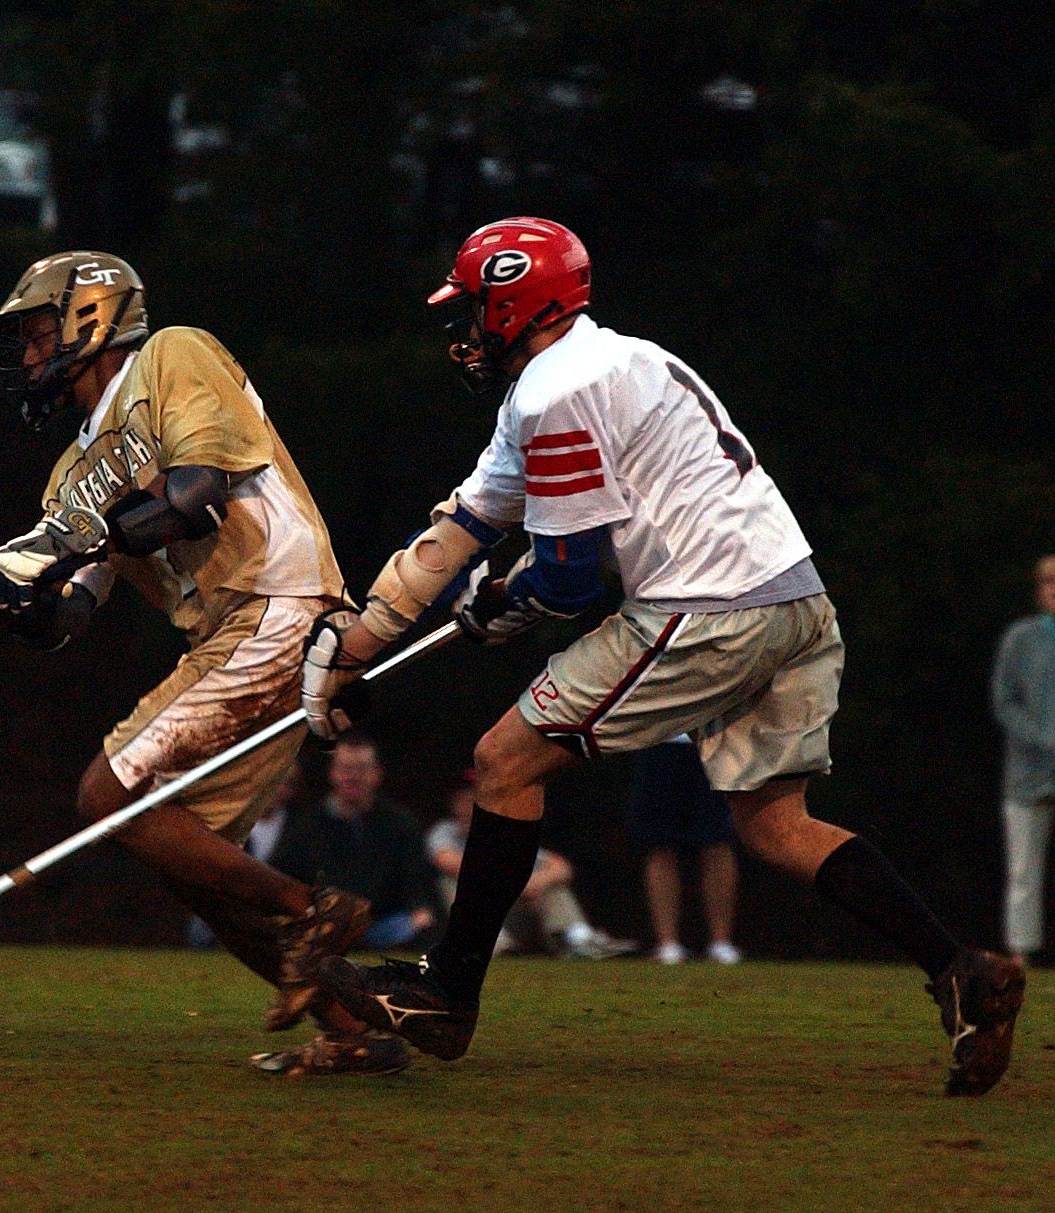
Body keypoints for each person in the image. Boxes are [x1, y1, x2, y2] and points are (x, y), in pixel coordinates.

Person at [300, 216, 1025, 1096]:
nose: (466, 328)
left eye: (476, 306)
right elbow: (463, 526)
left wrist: (503, 607)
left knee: (504, 761)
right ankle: (962, 970)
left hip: (708, 607)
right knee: (776, 824)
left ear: (518, 303)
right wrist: (358, 641)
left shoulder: (553, 393)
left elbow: (567, 581)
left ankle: (447, 994)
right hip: (794, 598)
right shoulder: (618, 359)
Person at [0, 251, 405, 1076]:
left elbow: (195, 494)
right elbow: (58, 617)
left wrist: (74, 545)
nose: (30, 357)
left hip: (277, 602)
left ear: (91, 318)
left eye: (39, 335)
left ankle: (312, 908)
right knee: (190, 863)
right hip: (224, 636)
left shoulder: (170, 356)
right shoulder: (72, 475)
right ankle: (352, 1028)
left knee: (106, 796)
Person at [431, 767, 636, 959]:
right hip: (474, 920)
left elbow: (561, 867)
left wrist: (535, 883)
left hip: (515, 915)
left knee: (551, 886)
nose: (472, 806)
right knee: (450, 882)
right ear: (454, 804)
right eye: (466, 800)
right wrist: (516, 883)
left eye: (479, 798)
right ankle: (486, 943)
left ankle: (577, 939)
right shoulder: (444, 831)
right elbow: (449, 862)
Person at [267, 735, 440, 950]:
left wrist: (421, 911)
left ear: (377, 774)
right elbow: (284, 876)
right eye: (346, 769)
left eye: (362, 769)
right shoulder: (306, 826)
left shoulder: (400, 825)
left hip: (383, 925)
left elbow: (418, 882)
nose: (353, 777)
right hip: (322, 926)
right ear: (332, 773)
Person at [990, 554, 1055, 966]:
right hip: (1027, 776)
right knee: (1023, 870)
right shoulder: (1020, 639)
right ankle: (1020, 954)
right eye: (1050, 583)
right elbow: (1004, 701)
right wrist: (1043, 739)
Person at [629, 736, 741, 964]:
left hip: (714, 740)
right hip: (658, 740)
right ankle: (668, 945)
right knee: (659, 844)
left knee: (717, 842)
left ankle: (721, 944)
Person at [188, 763, 300, 947]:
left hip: (277, 910)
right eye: (268, 780)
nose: (274, 788)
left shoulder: (298, 829)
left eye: (283, 782)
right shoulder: (225, 821)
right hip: (227, 907)